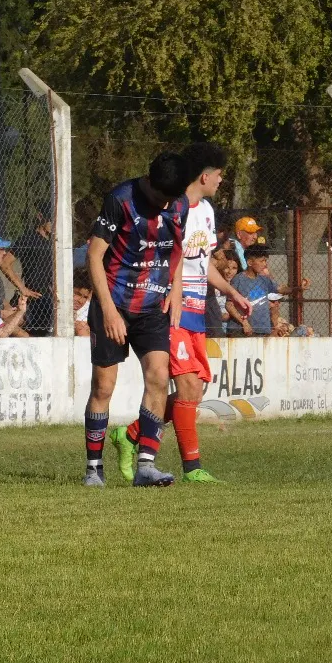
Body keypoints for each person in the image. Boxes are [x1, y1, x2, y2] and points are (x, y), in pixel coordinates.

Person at [110, 143, 253, 485]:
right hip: (169, 307)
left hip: (196, 310)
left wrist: (231, 291)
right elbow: (165, 259)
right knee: (187, 384)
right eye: (219, 175)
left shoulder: (206, 211)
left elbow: (201, 266)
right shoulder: (171, 210)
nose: (221, 181)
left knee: (194, 391)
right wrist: (169, 293)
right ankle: (193, 468)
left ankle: (130, 434)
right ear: (204, 176)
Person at [82, 151, 189, 488]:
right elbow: (94, 256)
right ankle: (94, 469)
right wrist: (109, 310)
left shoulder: (179, 203)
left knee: (159, 377)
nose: (165, 205)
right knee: (104, 385)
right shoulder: (120, 200)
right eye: (160, 198)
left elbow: (176, 249)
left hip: (153, 306)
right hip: (113, 303)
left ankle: (146, 466)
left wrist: (176, 288)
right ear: (148, 182)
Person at [11, 204, 55, 336]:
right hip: (34, 298)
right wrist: (22, 288)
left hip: (49, 298)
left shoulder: (53, 243)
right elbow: (5, 263)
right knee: (34, 335)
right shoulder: (28, 239)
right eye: (50, 220)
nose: (53, 225)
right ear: (40, 217)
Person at [229, 245, 281, 336]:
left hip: (262, 331)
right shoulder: (238, 280)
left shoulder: (264, 280)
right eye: (262, 261)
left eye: (265, 261)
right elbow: (229, 305)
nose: (265, 264)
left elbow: (281, 289)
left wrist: (299, 287)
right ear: (249, 262)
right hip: (241, 331)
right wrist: (244, 323)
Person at [215, 256, 242, 336]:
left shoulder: (242, 287)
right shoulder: (213, 287)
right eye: (227, 267)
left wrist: (232, 315)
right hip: (216, 328)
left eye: (234, 268)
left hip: (236, 329)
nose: (229, 272)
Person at [73, 269, 93, 337]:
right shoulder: (53, 306)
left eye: (85, 297)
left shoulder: (89, 310)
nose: (80, 300)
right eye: (77, 294)